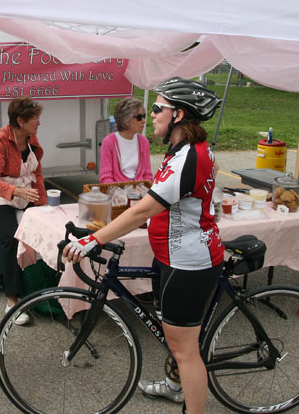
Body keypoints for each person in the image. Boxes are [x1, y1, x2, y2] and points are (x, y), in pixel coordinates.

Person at [64, 77, 222, 414]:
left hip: (188, 261)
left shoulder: (186, 158)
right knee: (174, 337)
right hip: (171, 256)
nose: (150, 115)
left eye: (157, 108)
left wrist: (94, 239)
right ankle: (173, 384)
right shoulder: (184, 150)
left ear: (178, 115)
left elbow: (144, 209)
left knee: (185, 351)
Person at [0, 96, 45, 325]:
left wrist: (43, 205)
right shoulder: (0, 140)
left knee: (47, 227)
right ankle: (12, 300)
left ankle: (41, 287)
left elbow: (38, 174)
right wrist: (15, 192)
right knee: (11, 236)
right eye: (35, 118)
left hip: (24, 191)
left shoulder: (31, 138)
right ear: (20, 120)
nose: (39, 123)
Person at [99, 96, 153, 183]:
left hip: (140, 193)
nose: (144, 121)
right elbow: (105, 179)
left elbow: (147, 175)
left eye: (144, 116)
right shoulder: (109, 142)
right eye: (139, 117)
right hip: (116, 193)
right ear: (126, 119)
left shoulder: (144, 142)